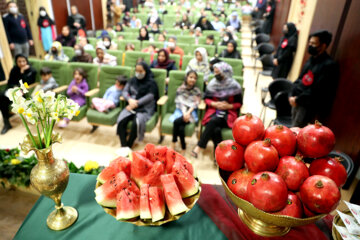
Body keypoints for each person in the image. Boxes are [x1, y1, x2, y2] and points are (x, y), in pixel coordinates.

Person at [191, 62, 242, 159]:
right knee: (216, 129)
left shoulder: (235, 86)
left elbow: (239, 103)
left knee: (214, 121)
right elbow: (206, 99)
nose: (216, 75)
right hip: (214, 110)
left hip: (228, 114)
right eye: (214, 72)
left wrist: (229, 106)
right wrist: (214, 104)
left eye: (218, 72)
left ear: (225, 72)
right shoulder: (212, 84)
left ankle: (199, 146)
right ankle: (218, 154)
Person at [289, 30, 339, 128]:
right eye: (310, 43)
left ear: (323, 46)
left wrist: (298, 99)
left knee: (297, 130)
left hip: (307, 104)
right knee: (292, 126)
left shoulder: (328, 65)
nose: (310, 45)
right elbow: (300, 79)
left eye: (313, 43)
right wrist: (292, 94)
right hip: (296, 99)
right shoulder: (310, 60)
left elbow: (317, 90)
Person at [116, 62, 158, 153]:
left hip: (145, 107)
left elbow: (150, 96)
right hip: (131, 104)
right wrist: (130, 100)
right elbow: (125, 91)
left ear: (146, 71)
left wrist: (137, 103)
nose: (138, 73)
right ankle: (124, 146)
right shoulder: (132, 80)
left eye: (141, 71)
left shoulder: (151, 83)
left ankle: (129, 146)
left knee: (136, 123)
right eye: (137, 71)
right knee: (121, 121)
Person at [0, 54, 36, 134]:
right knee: (2, 97)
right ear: (16, 62)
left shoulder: (32, 71)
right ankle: (7, 123)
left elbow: (27, 83)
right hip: (12, 90)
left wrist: (22, 72)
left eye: (23, 61)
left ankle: (7, 117)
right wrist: (14, 88)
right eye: (19, 61)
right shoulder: (14, 69)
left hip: (23, 92)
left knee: (4, 99)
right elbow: (10, 82)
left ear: (26, 61)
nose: (22, 63)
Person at [170, 70, 201, 154]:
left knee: (177, 122)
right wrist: (184, 113)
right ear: (186, 77)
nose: (192, 79)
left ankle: (173, 142)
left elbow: (196, 103)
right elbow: (180, 102)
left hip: (191, 112)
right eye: (191, 77)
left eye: (195, 78)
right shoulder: (180, 89)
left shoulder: (197, 90)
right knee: (181, 128)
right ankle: (183, 146)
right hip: (180, 111)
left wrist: (188, 113)